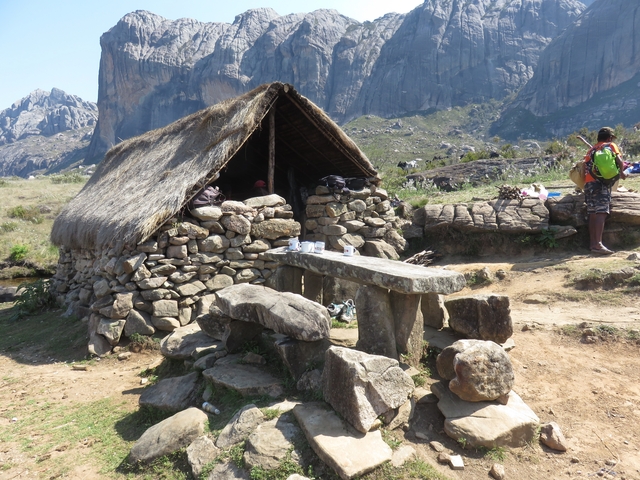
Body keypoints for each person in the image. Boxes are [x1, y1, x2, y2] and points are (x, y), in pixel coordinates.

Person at [583, 126, 627, 255]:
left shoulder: (591, 150)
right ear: (609, 138)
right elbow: (619, 160)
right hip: (601, 183)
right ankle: (599, 245)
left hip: (589, 183)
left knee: (592, 213)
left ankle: (593, 244)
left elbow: (586, 166)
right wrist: (622, 172)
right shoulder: (610, 145)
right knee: (602, 212)